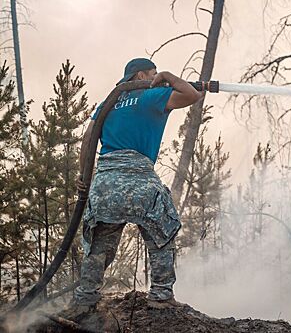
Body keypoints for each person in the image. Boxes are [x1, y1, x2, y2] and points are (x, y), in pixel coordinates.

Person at [71, 58, 202, 312]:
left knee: (99, 245)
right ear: (142, 75)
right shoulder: (150, 97)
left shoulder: (108, 104)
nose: (156, 80)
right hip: (140, 180)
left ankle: (86, 298)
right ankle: (161, 295)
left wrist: (84, 178)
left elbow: (88, 139)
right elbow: (191, 94)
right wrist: (168, 75)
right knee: (162, 234)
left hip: (105, 183)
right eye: (152, 74)